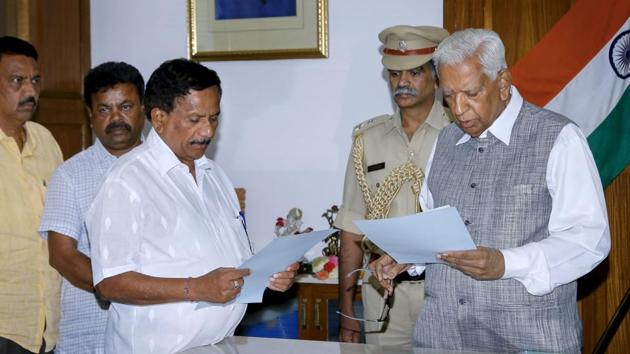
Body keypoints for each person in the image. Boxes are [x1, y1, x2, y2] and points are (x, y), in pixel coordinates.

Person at [371, 28, 610, 353]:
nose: (458, 109)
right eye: (449, 95)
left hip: (529, 342)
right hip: (441, 340)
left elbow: (590, 240)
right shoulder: (444, 142)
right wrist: (407, 257)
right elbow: (435, 231)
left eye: (470, 93)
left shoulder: (559, 138)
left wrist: (506, 263)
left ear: (503, 82)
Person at [85, 58, 299, 353]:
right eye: (195, 119)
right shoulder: (127, 181)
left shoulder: (215, 176)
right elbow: (109, 282)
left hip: (218, 344)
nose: (208, 131)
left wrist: (267, 277)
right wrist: (195, 288)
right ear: (159, 118)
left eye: (214, 118)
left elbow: (230, 263)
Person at [333, 26, 450, 348]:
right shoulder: (368, 141)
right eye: (394, 74)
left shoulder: (459, 134)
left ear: (436, 76)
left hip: (446, 289)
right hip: (383, 295)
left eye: (414, 72)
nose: (402, 83)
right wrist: (346, 311)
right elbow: (351, 228)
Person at [38, 61, 146, 354]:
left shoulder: (166, 171)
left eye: (125, 106)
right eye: (103, 109)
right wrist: (125, 290)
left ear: (144, 108)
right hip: (91, 331)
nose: (115, 118)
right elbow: (62, 256)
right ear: (90, 115)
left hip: (158, 328)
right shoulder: (70, 175)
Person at [0, 36, 62, 354]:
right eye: (17, 81)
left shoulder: (45, 141)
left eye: (35, 80)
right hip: (5, 320)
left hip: (45, 321)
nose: (30, 91)